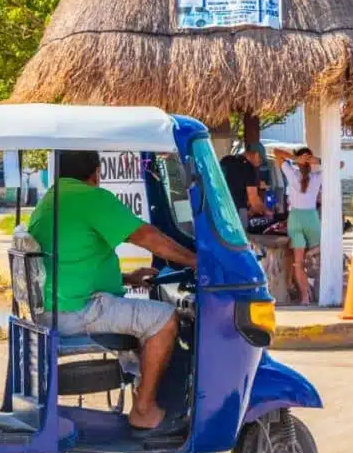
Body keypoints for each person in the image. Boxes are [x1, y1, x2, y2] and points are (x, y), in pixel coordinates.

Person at [28, 151, 197, 437]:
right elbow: (146, 237)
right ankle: (144, 410)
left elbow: (71, 261)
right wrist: (195, 261)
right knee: (165, 320)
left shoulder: (52, 199)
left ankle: (144, 391)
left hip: (60, 304)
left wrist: (126, 277)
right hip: (77, 309)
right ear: (96, 172)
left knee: (144, 315)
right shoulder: (89, 197)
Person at [273, 147, 322, 305]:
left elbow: (339, 164)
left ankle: (307, 294)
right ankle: (305, 295)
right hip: (303, 217)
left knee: (306, 260)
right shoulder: (295, 173)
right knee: (302, 260)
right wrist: (296, 159)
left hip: (303, 218)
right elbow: (276, 152)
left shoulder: (315, 176)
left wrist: (318, 161)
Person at [220, 143, 270, 229]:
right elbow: (253, 199)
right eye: (261, 160)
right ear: (256, 155)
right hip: (237, 211)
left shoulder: (226, 160)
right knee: (242, 238)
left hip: (220, 208)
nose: (260, 164)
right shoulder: (249, 169)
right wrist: (267, 211)